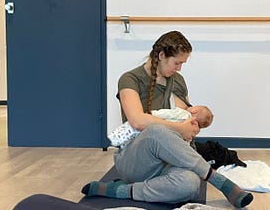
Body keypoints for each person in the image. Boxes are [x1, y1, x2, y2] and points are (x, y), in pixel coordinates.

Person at [81, 31, 253, 208]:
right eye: (177, 63)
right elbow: (137, 121)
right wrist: (180, 129)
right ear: (162, 55)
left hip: (167, 162)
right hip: (136, 160)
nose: (179, 68)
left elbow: (186, 116)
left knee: (190, 183)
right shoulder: (130, 79)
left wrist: (192, 126)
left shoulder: (177, 80)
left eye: (182, 64)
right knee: (156, 130)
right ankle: (219, 181)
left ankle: (122, 191)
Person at [108, 105, 213, 148]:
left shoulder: (183, 114)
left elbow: (166, 114)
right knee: (130, 141)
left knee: (125, 131)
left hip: (149, 126)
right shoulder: (190, 131)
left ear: (194, 110)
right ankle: (121, 144)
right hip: (155, 137)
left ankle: (110, 140)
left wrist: (152, 114)